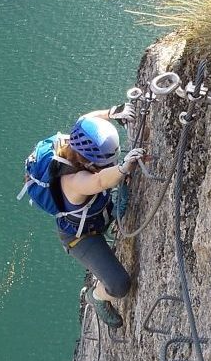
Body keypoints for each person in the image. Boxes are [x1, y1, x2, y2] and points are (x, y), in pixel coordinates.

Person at [51, 104, 143, 329]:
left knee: (114, 204)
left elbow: (85, 118)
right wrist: (122, 169)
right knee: (119, 285)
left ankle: (113, 214)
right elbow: (101, 181)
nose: (108, 164)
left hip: (96, 212)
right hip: (81, 237)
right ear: (87, 161)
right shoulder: (73, 182)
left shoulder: (71, 141)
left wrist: (112, 113)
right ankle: (97, 296)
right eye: (105, 162)